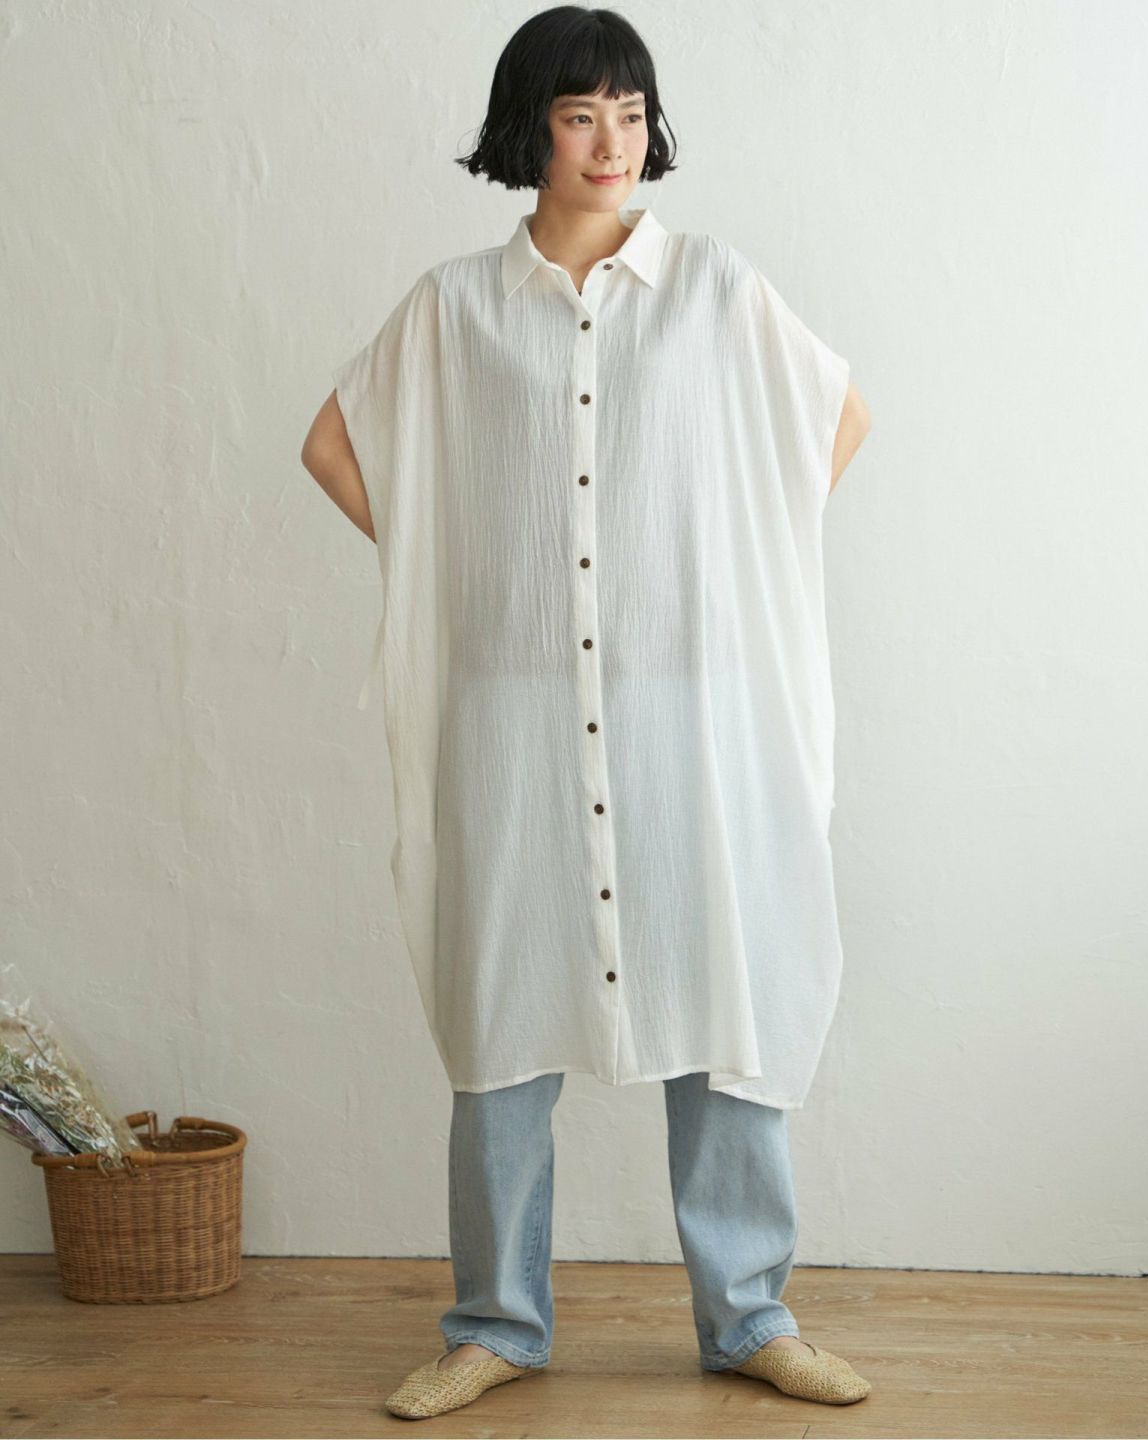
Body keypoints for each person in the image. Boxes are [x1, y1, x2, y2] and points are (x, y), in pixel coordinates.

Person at [301, 4, 873, 1421]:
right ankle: (495, 1323)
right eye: (579, 113)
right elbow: (336, 444)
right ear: (531, 128)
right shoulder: (456, 307)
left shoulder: (714, 288)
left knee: (722, 991)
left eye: (629, 110)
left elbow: (835, 424)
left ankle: (750, 1316)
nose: (611, 142)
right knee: (501, 1002)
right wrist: (458, 569)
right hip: (515, 716)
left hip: (688, 710)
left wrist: (721, 563)